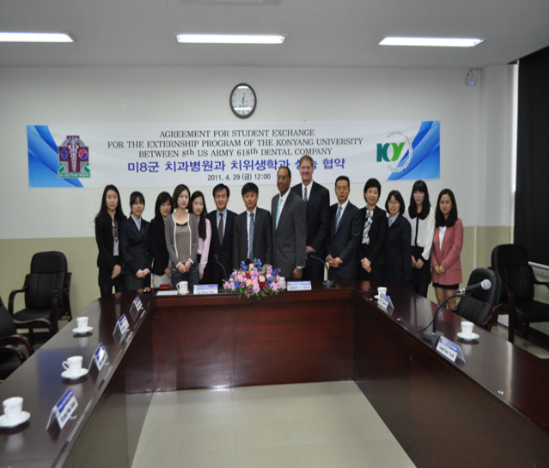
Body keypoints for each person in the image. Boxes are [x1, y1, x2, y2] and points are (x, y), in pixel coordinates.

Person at [290, 155, 330, 281]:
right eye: (303, 168)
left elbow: (325, 224)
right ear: (299, 169)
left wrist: (312, 246)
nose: (305, 170)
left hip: (315, 254)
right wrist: (299, 248)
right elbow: (290, 223)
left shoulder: (323, 192)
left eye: (308, 167)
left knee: (315, 290)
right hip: (296, 256)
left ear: (313, 169)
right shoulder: (292, 192)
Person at [271, 166, 307, 280]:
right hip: (275, 264)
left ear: (290, 180)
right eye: (278, 178)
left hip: (291, 265)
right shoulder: (274, 200)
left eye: (284, 178)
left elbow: (301, 236)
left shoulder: (297, 202)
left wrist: (299, 266)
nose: (280, 181)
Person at [431, 188, 463, 309]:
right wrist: (435, 265)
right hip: (437, 271)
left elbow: (456, 247)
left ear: (452, 204)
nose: (444, 205)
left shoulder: (457, 222)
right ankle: (442, 323)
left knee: (451, 304)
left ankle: (454, 323)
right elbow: (432, 247)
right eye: (442, 202)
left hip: (450, 270)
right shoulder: (435, 223)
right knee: (440, 303)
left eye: (447, 202)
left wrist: (443, 265)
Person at [325, 176, 361, 281]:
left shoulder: (355, 212)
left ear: (349, 190)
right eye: (339, 188)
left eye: (344, 188)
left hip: (347, 268)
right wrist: (328, 255)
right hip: (332, 268)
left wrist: (340, 259)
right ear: (335, 190)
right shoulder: (330, 210)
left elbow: (354, 239)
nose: (341, 191)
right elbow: (327, 235)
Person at [404, 180, 435, 297]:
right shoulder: (407, 211)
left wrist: (423, 258)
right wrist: (409, 255)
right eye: (415, 192)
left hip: (424, 256)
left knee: (422, 296)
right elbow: (405, 235)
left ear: (425, 194)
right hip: (410, 254)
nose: (418, 195)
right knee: (410, 295)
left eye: (421, 192)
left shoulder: (430, 212)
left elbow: (430, 235)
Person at [94, 184, 127, 297]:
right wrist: (113, 266)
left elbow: (125, 245)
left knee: (121, 303)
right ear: (105, 199)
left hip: (121, 266)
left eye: (114, 197)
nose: (112, 200)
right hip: (106, 266)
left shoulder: (123, 219)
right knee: (106, 303)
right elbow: (101, 245)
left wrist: (119, 266)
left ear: (118, 199)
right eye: (109, 197)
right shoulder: (99, 220)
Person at [165, 184, 199, 290]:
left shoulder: (192, 217)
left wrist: (190, 261)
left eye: (186, 197)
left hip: (192, 267)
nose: (184, 200)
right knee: (178, 297)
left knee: (194, 297)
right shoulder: (169, 219)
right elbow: (168, 244)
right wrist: (178, 263)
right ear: (176, 198)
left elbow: (196, 241)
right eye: (181, 196)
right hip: (177, 268)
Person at [233, 182, 272, 269]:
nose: (249, 199)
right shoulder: (238, 219)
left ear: (257, 197)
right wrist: (236, 268)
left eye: (252, 195)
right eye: (246, 196)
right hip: (243, 265)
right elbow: (236, 248)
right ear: (243, 198)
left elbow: (269, 243)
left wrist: (268, 263)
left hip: (261, 264)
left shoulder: (265, 215)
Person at [204, 184, 236, 284]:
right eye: (218, 196)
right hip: (211, 270)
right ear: (214, 199)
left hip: (229, 269)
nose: (220, 199)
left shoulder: (235, 218)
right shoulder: (207, 218)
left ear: (228, 198)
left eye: (223, 196)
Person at [357, 178, 387, 282]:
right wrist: (363, 259)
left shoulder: (382, 214)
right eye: (370, 191)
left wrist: (369, 259)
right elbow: (356, 238)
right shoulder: (359, 213)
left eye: (375, 192)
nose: (372, 195)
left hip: (376, 262)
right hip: (360, 262)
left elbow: (381, 240)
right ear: (365, 193)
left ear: (378, 195)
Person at [120, 191, 151, 291]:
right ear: (131, 205)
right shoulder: (125, 225)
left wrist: (148, 268)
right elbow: (124, 251)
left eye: (141, 203)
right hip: (131, 272)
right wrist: (136, 270)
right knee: (133, 300)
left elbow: (150, 250)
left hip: (145, 272)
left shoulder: (147, 225)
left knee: (147, 299)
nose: (139, 206)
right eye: (136, 203)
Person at [383, 190, 412, 288]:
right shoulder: (383, 222)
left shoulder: (404, 224)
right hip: (384, 272)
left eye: (396, 202)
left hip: (399, 273)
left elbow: (407, 250)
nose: (393, 205)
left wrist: (407, 273)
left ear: (400, 204)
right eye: (391, 202)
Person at [149, 191, 173, 288]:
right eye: (163, 205)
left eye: (168, 204)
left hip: (175, 269)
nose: (166, 207)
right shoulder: (154, 224)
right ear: (158, 207)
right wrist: (165, 267)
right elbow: (154, 248)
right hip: (161, 270)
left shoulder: (175, 223)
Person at [190, 191, 211, 282]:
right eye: (196, 203)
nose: (198, 207)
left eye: (201, 204)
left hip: (201, 260)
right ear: (191, 204)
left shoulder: (206, 222)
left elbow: (206, 246)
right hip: (187, 261)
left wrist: (201, 267)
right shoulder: (186, 220)